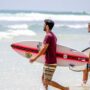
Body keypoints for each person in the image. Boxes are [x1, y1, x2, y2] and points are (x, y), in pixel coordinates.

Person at [30, 19, 69, 90]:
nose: (43, 26)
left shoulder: (48, 36)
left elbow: (44, 49)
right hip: (49, 61)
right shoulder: (53, 35)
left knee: (46, 81)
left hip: (50, 62)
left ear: (47, 26)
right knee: (43, 79)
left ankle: (64, 89)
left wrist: (34, 58)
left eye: (44, 25)